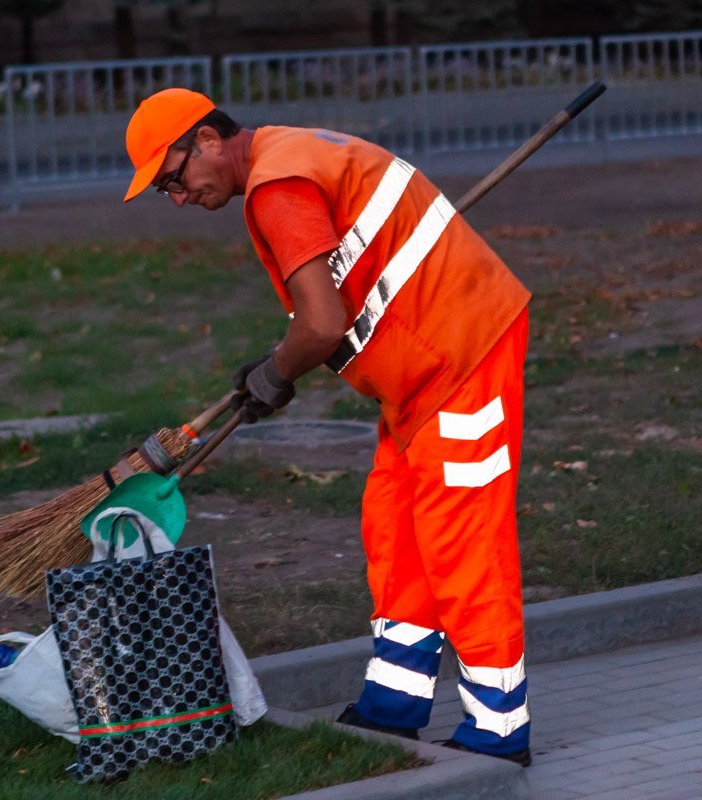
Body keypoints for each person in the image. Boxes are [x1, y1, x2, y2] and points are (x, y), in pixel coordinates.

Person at [121, 88, 533, 766]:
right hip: (421, 374)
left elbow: (322, 323)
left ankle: (499, 728)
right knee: (397, 527)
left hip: (463, 355)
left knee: (463, 539)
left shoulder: (276, 187)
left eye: (173, 178)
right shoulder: (288, 152)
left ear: (207, 140)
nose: (178, 197)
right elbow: (337, 299)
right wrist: (275, 369)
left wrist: (276, 375)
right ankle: (394, 706)